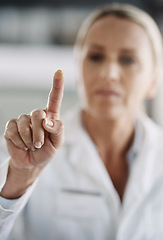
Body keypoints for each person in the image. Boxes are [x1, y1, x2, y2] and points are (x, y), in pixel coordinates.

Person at [0, 3, 163, 240]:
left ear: (154, 81)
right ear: (78, 68)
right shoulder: (30, 151)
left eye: (128, 60)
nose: (108, 73)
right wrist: (19, 178)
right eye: (95, 57)